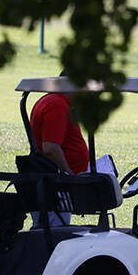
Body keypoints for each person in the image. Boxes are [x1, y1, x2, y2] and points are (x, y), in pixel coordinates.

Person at [28, 90, 89, 226]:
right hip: (55, 184)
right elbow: (50, 148)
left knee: (50, 229)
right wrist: (70, 176)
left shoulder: (56, 102)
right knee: (54, 231)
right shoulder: (57, 105)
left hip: (54, 181)